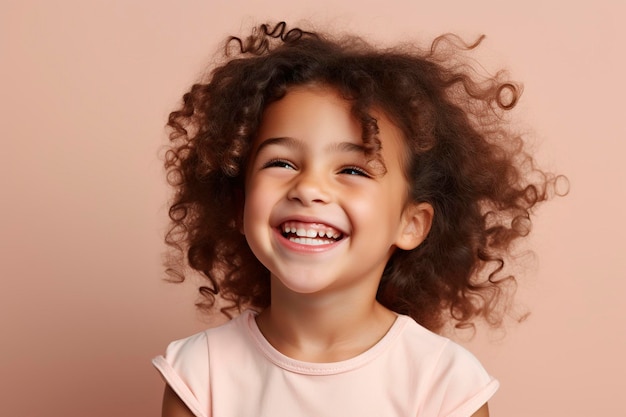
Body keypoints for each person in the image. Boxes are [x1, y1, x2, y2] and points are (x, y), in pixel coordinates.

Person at [153, 21, 564, 417]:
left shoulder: (445, 385)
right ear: (241, 206)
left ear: (411, 224)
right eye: (281, 162)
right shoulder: (198, 374)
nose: (309, 188)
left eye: (352, 170)